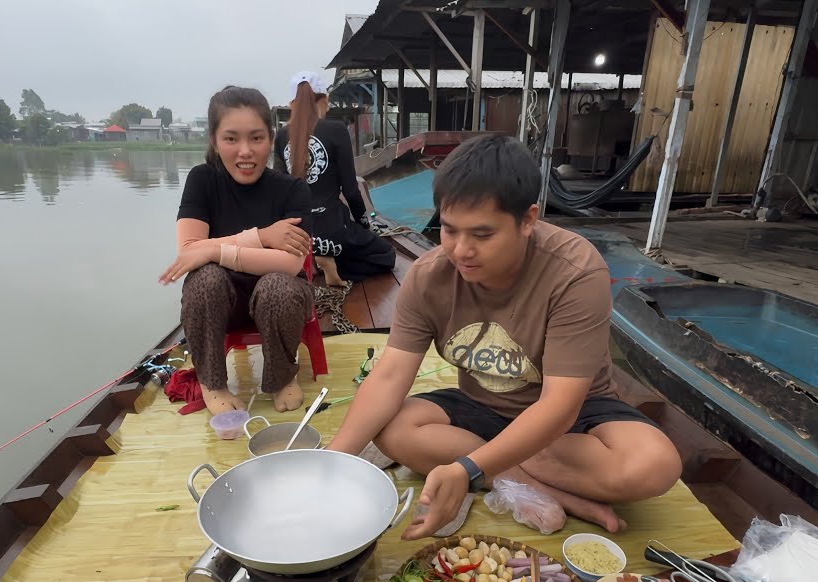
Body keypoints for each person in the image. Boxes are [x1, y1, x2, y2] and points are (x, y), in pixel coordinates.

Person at [326, 135, 682, 540]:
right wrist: (330, 464)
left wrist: (466, 467)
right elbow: (389, 376)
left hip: (570, 419)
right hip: (482, 406)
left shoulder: (575, 272)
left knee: (654, 465)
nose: (461, 251)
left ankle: (495, 467)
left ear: (528, 220)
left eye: (482, 235)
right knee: (391, 428)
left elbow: (560, 405)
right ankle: (532, 485)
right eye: (449, 230)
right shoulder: (428, 278)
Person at [159, 86, 313, 415]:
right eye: (231, 139)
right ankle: (212, 384)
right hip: (222, 304)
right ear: (214, 141)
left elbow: (290, 264)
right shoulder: (202, 180)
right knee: (205, 280)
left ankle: (283, 377)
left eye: (256, 138)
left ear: (270, 138)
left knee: (278, 286)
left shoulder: (292, 190)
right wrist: (262, 236)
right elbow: (188, 251)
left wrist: (214, 251)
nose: (245, 151)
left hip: (279, 302)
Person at [274, 71, 396, 286]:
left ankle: (313, 259)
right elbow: (351, 191)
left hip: (299, 236)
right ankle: (334, 263)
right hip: (332, 229)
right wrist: (364, 224)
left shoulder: (282, 135)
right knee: (386, 255)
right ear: (323, 100)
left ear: (292, 103)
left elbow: (279, 191)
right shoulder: (336, 130)